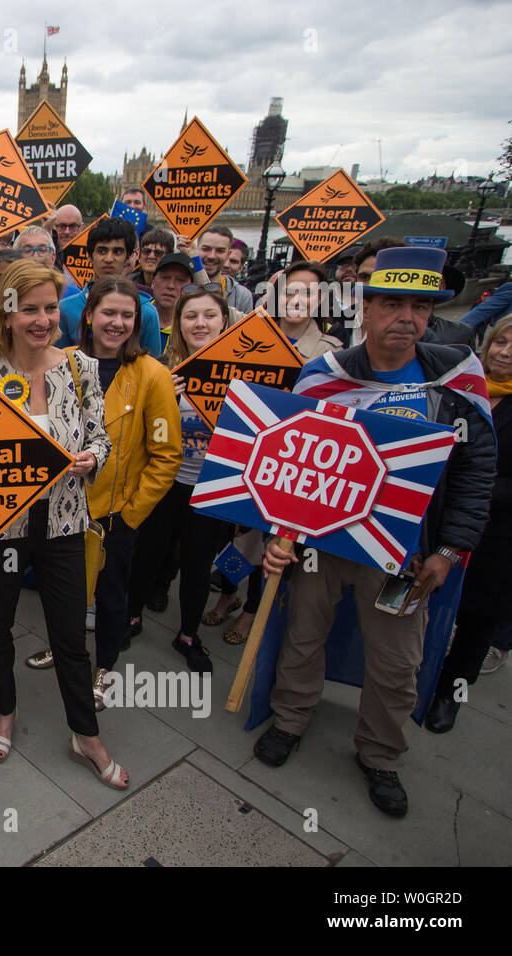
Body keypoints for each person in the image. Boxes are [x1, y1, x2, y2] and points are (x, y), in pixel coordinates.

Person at [255, 245, 495, 817]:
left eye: (419, 306)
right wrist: (278, 533)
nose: (405, 318)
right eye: (391, 303)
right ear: (364, 309)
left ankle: (382, 754)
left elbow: (475, 473)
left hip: (404, 557)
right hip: (323, 544)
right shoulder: (323, 377)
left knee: (395, 660)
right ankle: (289, 720)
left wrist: (449, 549)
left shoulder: (457, 381)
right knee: (303, 636)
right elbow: (291, 463)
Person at [0, 260, 124, 783]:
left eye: (51, 308)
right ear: (6, 314)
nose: (42, 319)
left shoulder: (81, 368)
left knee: (71, 636)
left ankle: (86, 733)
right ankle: (5, 712)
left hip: (64, 524)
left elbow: (100, 436)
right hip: (2, 529)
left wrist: (91, 459)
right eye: (28, 308)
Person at [27, 277, 182, 685]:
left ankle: (104, 667)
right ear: (89, 315)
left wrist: (131, 516)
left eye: (126, 315)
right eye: (108, 313)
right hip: (58, 506)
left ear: (137, 320)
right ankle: (62, 647)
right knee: (62, 591)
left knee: (112, 598)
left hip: (114, 517)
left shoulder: (153, 375)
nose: (117, 323)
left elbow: (167, 456)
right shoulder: (60, 360)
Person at [206, 260, 345, 644]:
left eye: (309, 292)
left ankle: (253, 610)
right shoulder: (249, 332)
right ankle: (228, 594)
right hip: (240, 452)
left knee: (268, 543)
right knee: (230, 533)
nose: (298, 298)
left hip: (288, 462)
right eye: (290, 290)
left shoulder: (331, 351)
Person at [125, 285, 234, 672]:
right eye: (191, 316)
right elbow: (136, 433)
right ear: (179, 324)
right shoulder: (161, 372)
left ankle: (189, 635)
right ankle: (131, 617)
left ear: (225, 321)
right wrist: (159, 400)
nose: (200, 323)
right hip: (164, 482)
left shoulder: (246, 378)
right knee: (147, 553)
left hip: (210, 489)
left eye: (209, 315)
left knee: (197, 564)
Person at [425, 315, 512, 733]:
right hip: (441, 519)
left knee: (478, 619)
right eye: (501, 343)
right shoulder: (458, 390)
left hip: (499, 533)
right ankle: (420, 679)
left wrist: (472, 485)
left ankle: (450, 693)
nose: (507, 353)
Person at [58, 218, 162, 357]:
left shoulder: (147, 312)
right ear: (89, 255)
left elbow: (153, 373)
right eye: (102, 251)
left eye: (117, 252)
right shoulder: (66, 309)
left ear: (129, 257)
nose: (108, 258)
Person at [198, 226, 254, 313]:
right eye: (206, 249)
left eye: (220, 251)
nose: (212, 256)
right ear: (196, 250)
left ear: (228, 254)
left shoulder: (242, 296)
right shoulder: (180, 286)